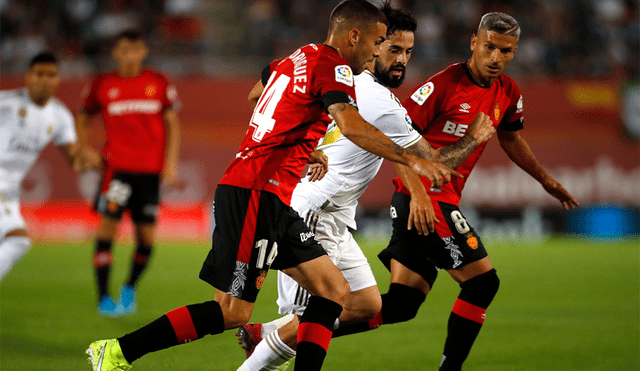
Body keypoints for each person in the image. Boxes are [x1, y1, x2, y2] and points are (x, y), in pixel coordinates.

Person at [86, 1, 461, 370]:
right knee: (231, 311)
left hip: (273, 197)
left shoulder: (301, 56)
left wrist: (299, 144)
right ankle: (119, 351)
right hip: (254, 194)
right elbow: (351, 125)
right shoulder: (335, 66)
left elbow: (258, 96)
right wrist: (412, 159)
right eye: (378, 41)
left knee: (333, 292)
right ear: (354, 35)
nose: (377, 51)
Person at [233, 4, 496, 371]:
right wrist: (473, 139)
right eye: (391, 49)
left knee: (368, 305)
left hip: (336, 218)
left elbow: (258, 96)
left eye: (409, 52)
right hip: (310, 210)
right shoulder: (380, 101)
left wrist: (305, 143)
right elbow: (432, 161)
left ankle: (267, 337)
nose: (401, 60)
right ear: (372, 46)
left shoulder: (330, 73)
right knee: (312, 318)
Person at [322, 12, 580, 371]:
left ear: (514, 52)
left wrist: (545, 180)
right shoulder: (443, 85)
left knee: (400, 306)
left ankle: (281, 334)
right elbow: (399, 141)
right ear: (474, 42)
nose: (495, 58)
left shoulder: (507, 92)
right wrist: (422, 195)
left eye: (505, 51)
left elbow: (511, 137)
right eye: (490, 47)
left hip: (437, 200)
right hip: (424, 201)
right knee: (483, 284)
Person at [75, 30, 182, 316]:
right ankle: (103, 298)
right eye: (124, 50)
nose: (130, 55)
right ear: (116, 53)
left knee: (146, 239)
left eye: (135, 49)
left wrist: (170, 164)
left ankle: (130, 286)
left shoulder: (157, 83)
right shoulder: (104, 84)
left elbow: (172, 125)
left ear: (143, 51)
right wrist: (84, 150)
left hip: (149, 173)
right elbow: (83, 116)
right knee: (106, 229)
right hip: (117, 172)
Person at [0, 53, 92, 281]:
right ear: (28, 77)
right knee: (17, 240)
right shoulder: (6, 103)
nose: (45, 80)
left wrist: (89, 159)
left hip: (10, 189)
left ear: (58, 80)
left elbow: (75, 161)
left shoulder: (59, 115)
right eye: (39, 74)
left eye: (51, 75)